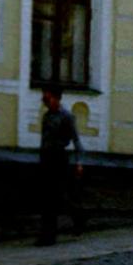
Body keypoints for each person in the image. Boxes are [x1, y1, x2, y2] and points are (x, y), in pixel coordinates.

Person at [35, 87, 83, 246]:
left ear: (56, 99)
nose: (44, 102)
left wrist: (79, 162)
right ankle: (46, 234)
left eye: (47, 99)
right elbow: (44, 140)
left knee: (57, 196)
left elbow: (76, 140)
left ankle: (73, 222)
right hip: (46, 159)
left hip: (59, 159)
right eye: (44, 99)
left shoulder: (67, 117)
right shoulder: (47, 117)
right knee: (46, 197)